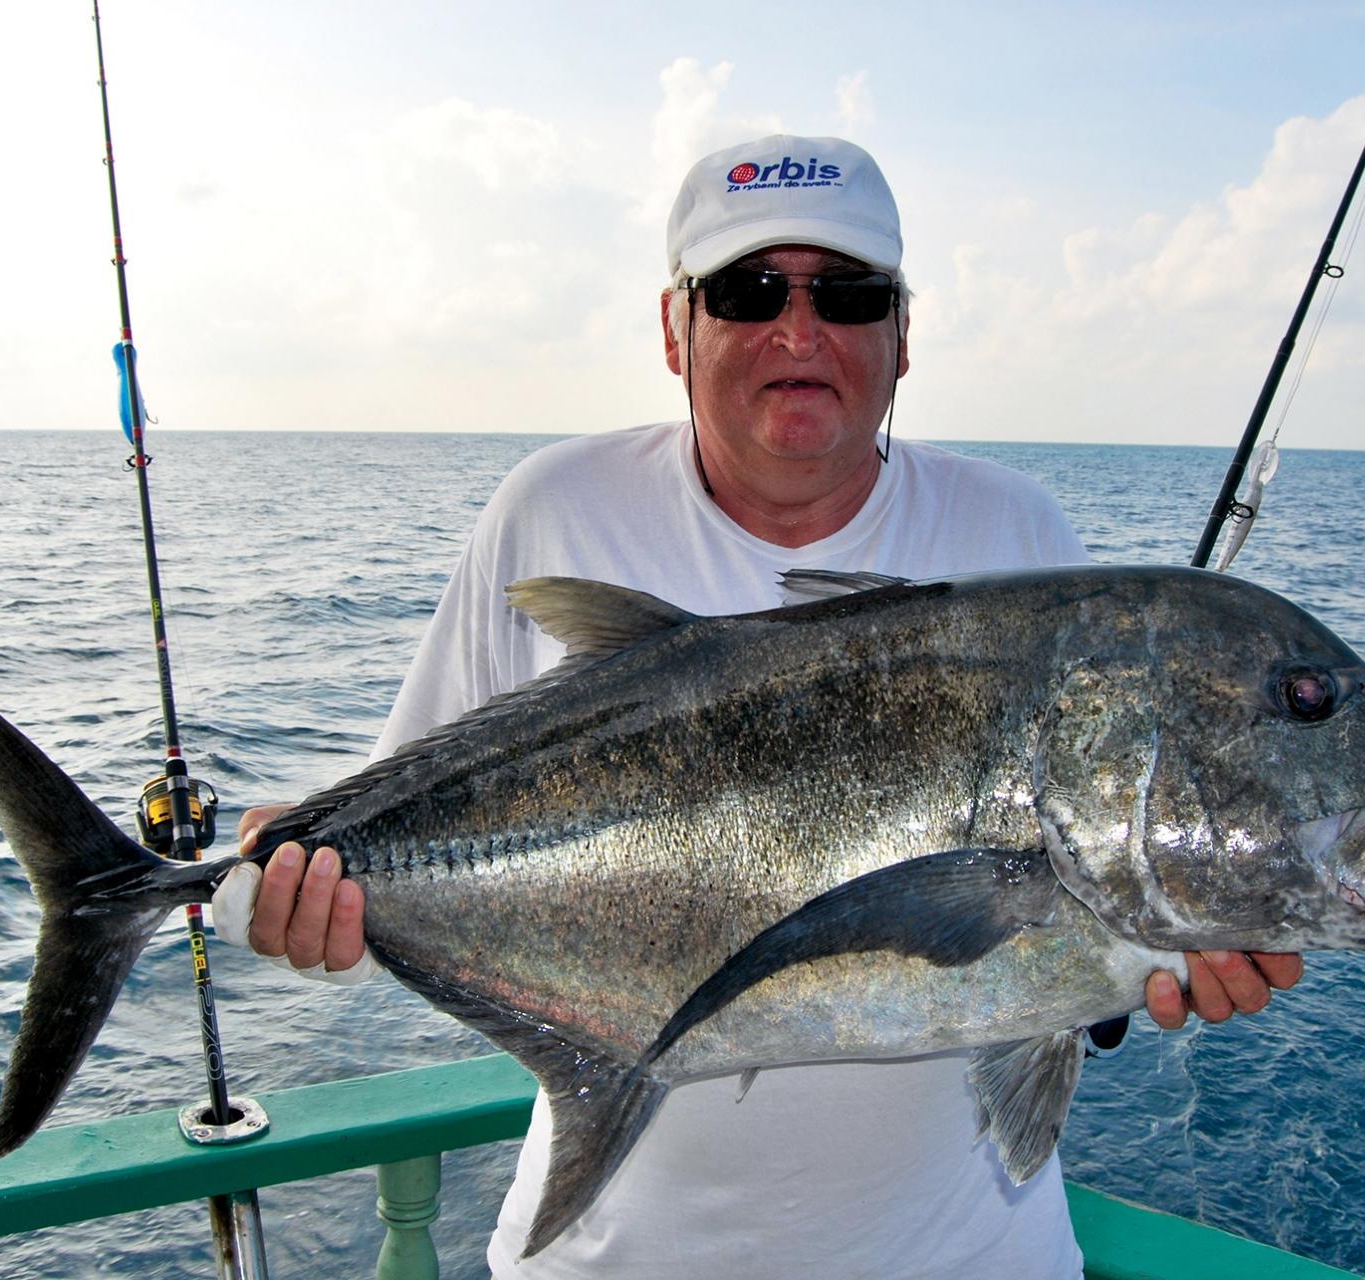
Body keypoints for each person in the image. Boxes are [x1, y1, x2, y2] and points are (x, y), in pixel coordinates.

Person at [213, 134, 1303, 1278]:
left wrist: (1125, 973)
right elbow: (383, 840)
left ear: (902, 334)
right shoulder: (556, 508)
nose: (799, 330)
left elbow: (1041, 904)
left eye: (848, 294)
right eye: (748, 291)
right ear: (674, 327)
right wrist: (283, 888)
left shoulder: (1016, 534)